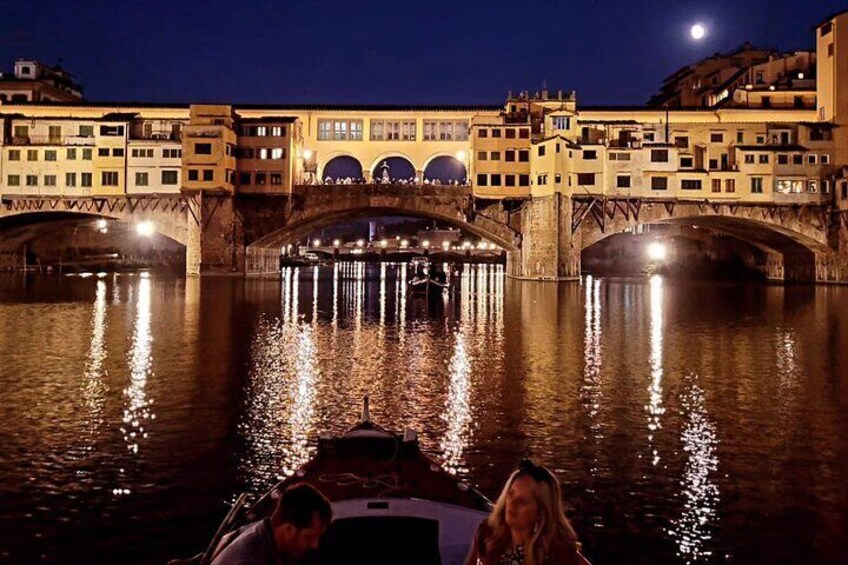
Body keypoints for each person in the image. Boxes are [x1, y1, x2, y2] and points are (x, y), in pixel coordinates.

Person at [464, 460, 589, 565]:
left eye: (522, 501)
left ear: (540, 513)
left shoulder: (560, 552)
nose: (512, 504)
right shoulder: (487, 532)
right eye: (511, 494)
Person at [211, 483, 332, 565]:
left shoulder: (265, 533)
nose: (315, 545)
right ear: (289, 529)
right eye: (310, 537)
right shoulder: (246, 560)